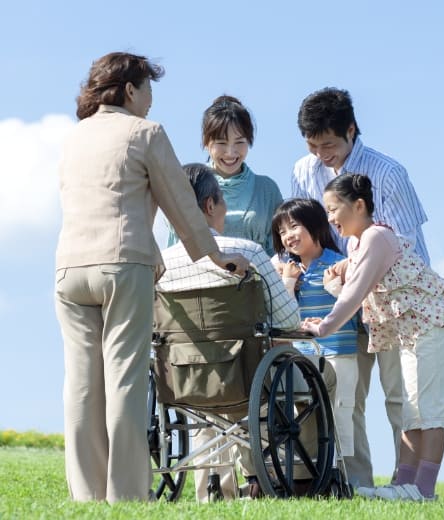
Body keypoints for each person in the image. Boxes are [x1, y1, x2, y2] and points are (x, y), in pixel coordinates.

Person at [54, 52, 251, 503]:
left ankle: (86, 495)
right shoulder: (145, 133)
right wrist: (217, 258)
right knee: (123, 377)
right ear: (130, 89)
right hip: (123, 265)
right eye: (148, 92)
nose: (150, 102)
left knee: (81, 384)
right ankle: (125, 495)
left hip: (69, 268)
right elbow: (183, 204)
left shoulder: (74, 137)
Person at [291, 87, 429, 487]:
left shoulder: (388, 173)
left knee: (399, 398)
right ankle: (356, 486)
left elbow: (407, 246)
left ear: (351, 130)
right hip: (336, 300)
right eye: (313, 145)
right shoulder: (304, 171)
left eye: (329, 144)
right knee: (344, 400)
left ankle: (408, 485)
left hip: (391, 302)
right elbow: (305, 235)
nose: (321, 154)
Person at [301, 174, 444, 501]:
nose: (330, 218)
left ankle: (423, 490)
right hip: (408, 332)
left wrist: (324, 327)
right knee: (410, 411)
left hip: (429, 326)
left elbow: (355, 294)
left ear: (359, 206)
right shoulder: (355, 244)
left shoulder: (376, 237)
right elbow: (352, 291)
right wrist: (336, 284)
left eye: (334, 209)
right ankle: (404, 485)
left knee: (429, 411)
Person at [157, 163, 301, 502]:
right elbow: (289, 319)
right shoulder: (246, 251)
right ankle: (298, 478)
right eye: (222, 201)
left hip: (183, 378)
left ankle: (211, 493)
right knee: (320, 381)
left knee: (209, 406)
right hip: (245, 376)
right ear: (210, 205)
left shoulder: (160, 265)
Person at [270, 198, 359, 461]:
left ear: (316, 226)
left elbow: (357, 310)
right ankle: (311, 473)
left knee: (340, 414)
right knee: (305, 415)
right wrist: (287, 282)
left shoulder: (340, 264)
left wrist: (335, 288)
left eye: (294, 226)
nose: (288, 236)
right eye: (282, 231)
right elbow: (282, 317)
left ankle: (342, 476)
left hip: (338, 353)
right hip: (303, 356)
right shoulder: (286, 270)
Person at [167, 95, 283, 255]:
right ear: (206, 143)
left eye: (240, 142)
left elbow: (279, 250)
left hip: (258, 277)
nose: (230, 152)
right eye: (221, 143)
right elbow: (175, 246)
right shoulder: (189, 183)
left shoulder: (267, 189)